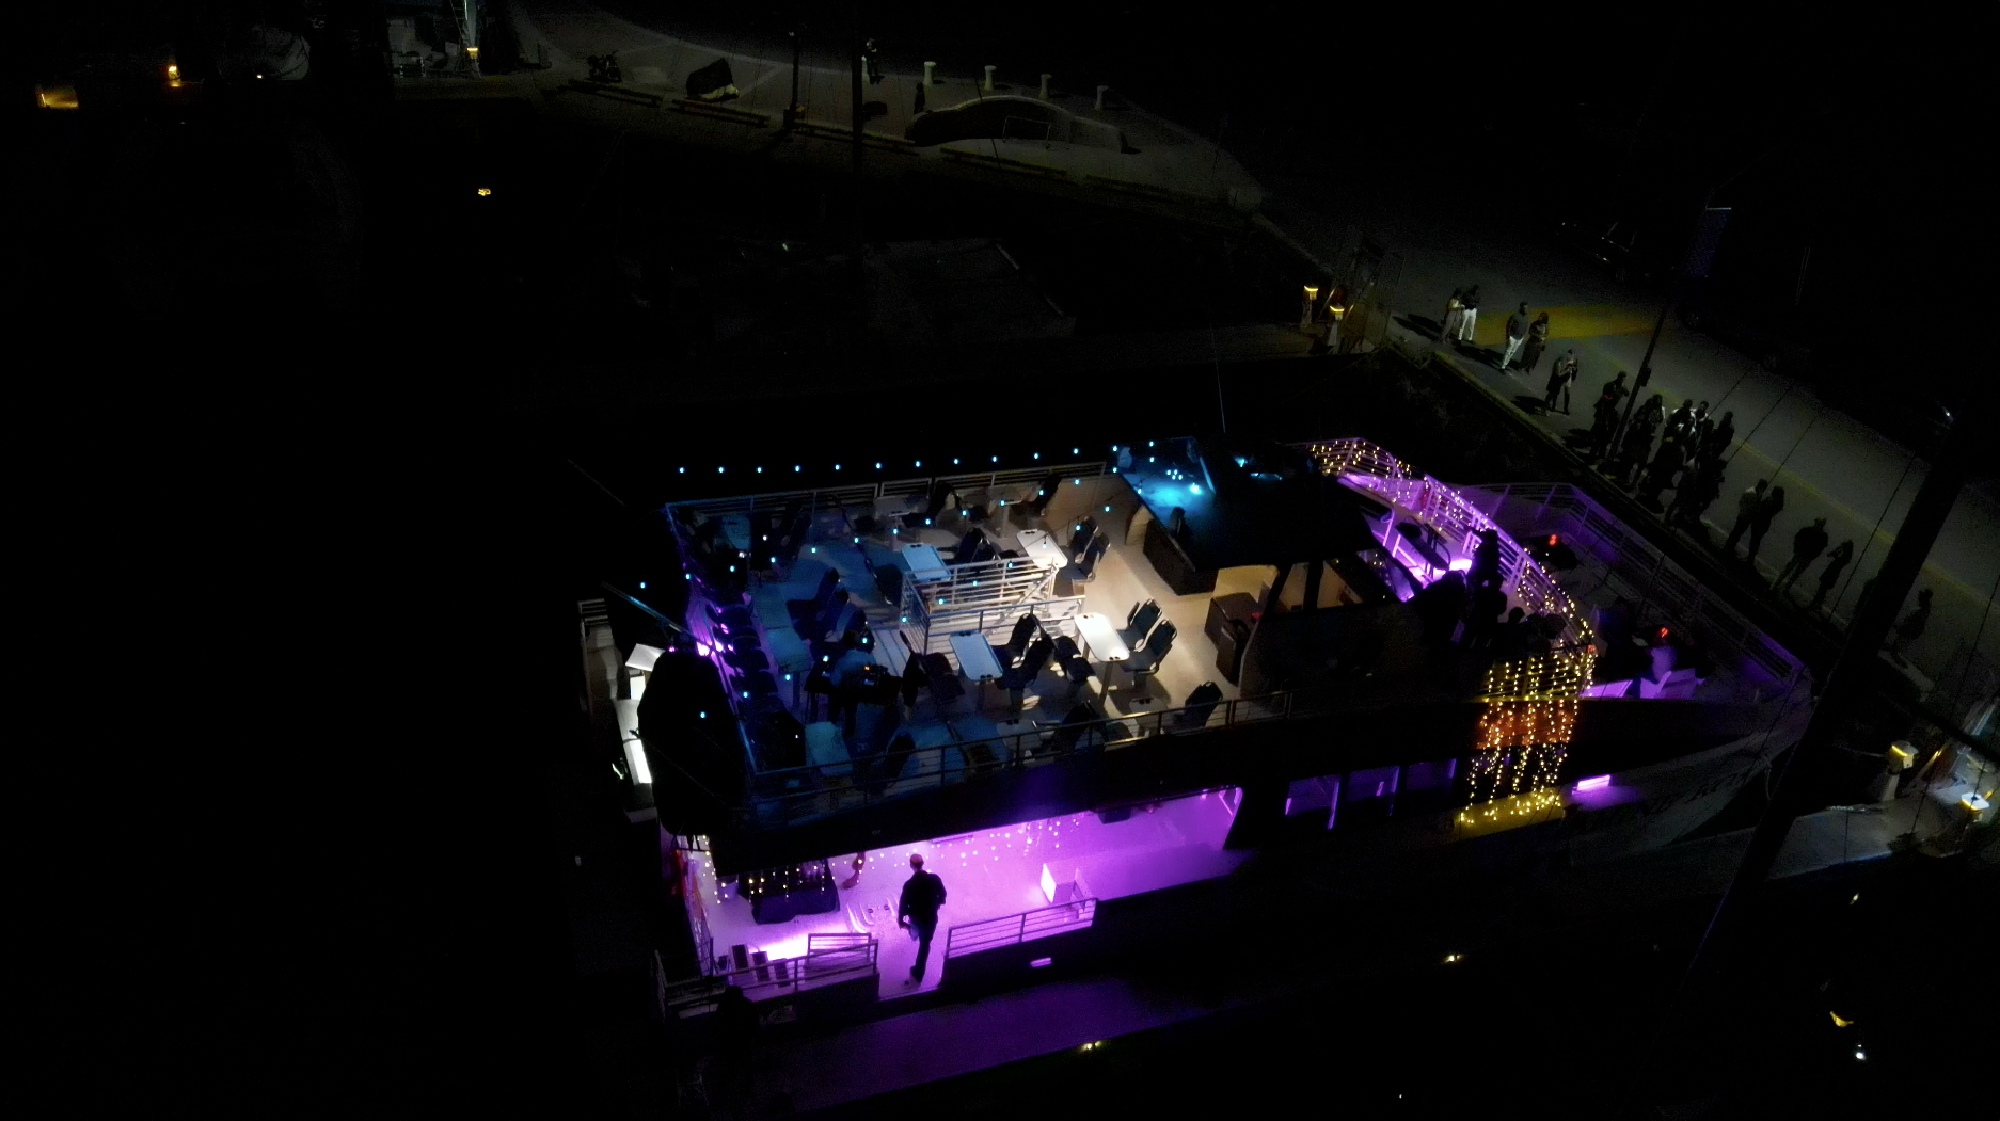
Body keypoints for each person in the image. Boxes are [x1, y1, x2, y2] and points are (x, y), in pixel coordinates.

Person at [898, 853, 947, 982]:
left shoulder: (909, 884)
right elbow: (942, 897)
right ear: (923, 863)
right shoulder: (934, 879)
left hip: (916, 918)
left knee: (917, 935)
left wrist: (901, 920)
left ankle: (915, 937)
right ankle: (918, 972)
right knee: (925, 944)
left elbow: (903, 904)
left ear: (911, 865)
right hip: (930, 918)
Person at [1774, 516, 1830, 594]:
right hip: (1805, 556)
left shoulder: (1808, 530)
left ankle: (1776, 585)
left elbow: (1797, 538)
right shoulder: (1822, 535)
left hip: (1801, 554)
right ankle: (1785, 588)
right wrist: (1814, 555)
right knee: (1794, 573)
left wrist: (1796, 549)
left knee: (1788, 570)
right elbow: (1821, 548)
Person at [1589, 372, 1630, 458]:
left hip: (1613, 413)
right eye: (1621, 378)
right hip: (1606, 411)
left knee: (1609, 434)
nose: (1622, 380)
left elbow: (1627, 393)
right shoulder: (1611, 385)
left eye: (1623, 379)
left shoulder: (1622, 388)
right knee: (1602, 431)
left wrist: (1622, 387)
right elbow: (1605, 399)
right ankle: (1595, 449)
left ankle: (1601, 450)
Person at [1807, 539, 1855, 612]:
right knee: (1824, 588)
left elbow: (1831, 554)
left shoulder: (1841, 552)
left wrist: (1835, 552)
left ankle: (1815, 603)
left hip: (1832, 569)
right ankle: (1818, 603)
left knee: (1823, 587)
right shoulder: (1847, 557)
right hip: (1836, 571)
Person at [1724, 479, 1768, 554]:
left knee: (1738, 533)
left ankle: (1730, 546)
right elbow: (1747, 504)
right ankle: (1728, 547)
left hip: (1746, 517)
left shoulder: (1755, 493)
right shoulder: (1752, 494)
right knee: (1736, 532)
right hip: (1744, 517)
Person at [1745, 485, 1785, 563]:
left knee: (1754, 540)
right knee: (1756, 540)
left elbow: (1761, 507)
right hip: (1765, 523)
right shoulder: (1779, 504)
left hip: (1759, 521)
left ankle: (1750, 557)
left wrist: (1759, 499)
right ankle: (1751, 557)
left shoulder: (1770, 500)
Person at [1498, 302, 1530, 372]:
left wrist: (1523, 335)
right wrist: (1508, 335)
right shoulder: (1515, 316)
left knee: (1513, 351)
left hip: (1519, 338)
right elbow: (1509, 325)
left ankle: (1505, 364)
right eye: (1524, 308)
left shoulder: (1526, 318)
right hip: (1512, 337)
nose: (1526, 310)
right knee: (1508, 351)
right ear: (1521, 309)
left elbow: (1525, 326)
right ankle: (1502, 366)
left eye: (1527, 308)